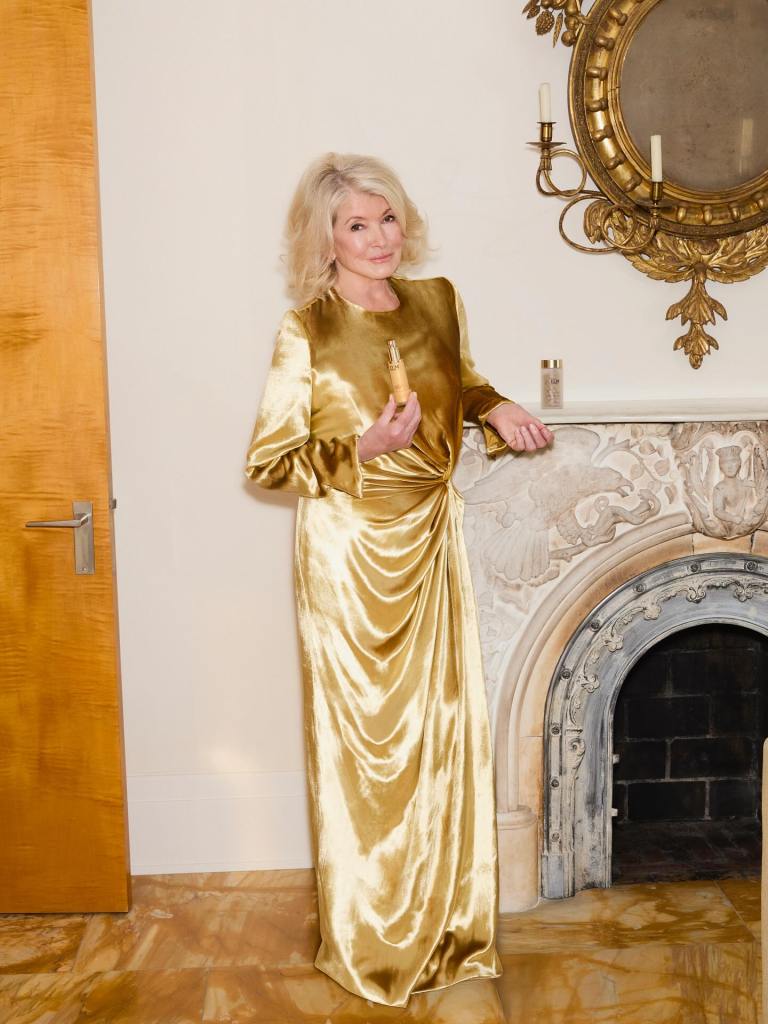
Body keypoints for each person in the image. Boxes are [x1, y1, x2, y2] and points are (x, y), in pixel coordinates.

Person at [245, 153, 552, 1007]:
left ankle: (451, 932)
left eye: (387, 219)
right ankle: (375, 942)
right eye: (356, 225)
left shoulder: (439, 300)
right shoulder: (304, 328)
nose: (379, 238)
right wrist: (365, 447)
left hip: (430, 539)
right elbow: (270, 463)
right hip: (349, 556)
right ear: (325, 239)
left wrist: (498, 407)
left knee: (442, 740)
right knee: (369, 753)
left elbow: (461, 380)